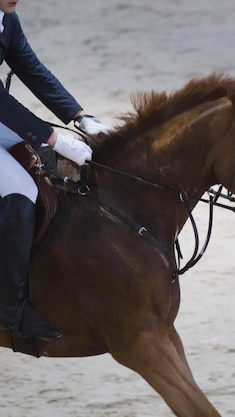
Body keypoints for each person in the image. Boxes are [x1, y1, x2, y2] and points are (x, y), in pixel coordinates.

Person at [0, 0, 110, 341]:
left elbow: (31, 68)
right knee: (21, 191)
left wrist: (79, 117)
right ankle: (8, 307)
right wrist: (51, 136)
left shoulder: (6, 19)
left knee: (43, 162)